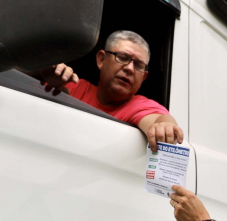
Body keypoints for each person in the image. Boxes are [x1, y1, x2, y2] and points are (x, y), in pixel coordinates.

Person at [38, 30, 183, 152]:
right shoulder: (74, 86)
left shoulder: (137, 106)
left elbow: (159, 120)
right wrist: (42, 71)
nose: (129, 68)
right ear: (101, 59)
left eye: (138, 65)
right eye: (123, 58)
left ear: (144, 77)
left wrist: (165, 126)